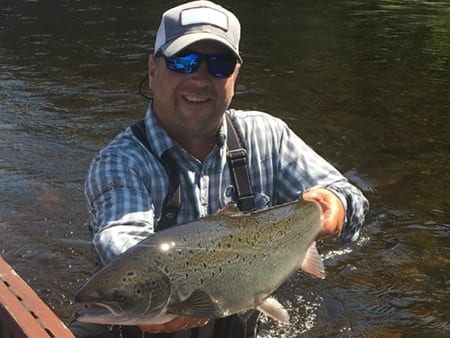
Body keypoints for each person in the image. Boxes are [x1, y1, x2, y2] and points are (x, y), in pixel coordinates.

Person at [70, 1, 369, 337]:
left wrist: (332, 208)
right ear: (153, 70)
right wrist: (146, 294)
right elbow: (120, 237)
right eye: (182, 62)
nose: (199, 78)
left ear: (235, 75)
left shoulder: (269, 136)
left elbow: (351, 198)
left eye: (219, 64)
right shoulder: (119, 162)